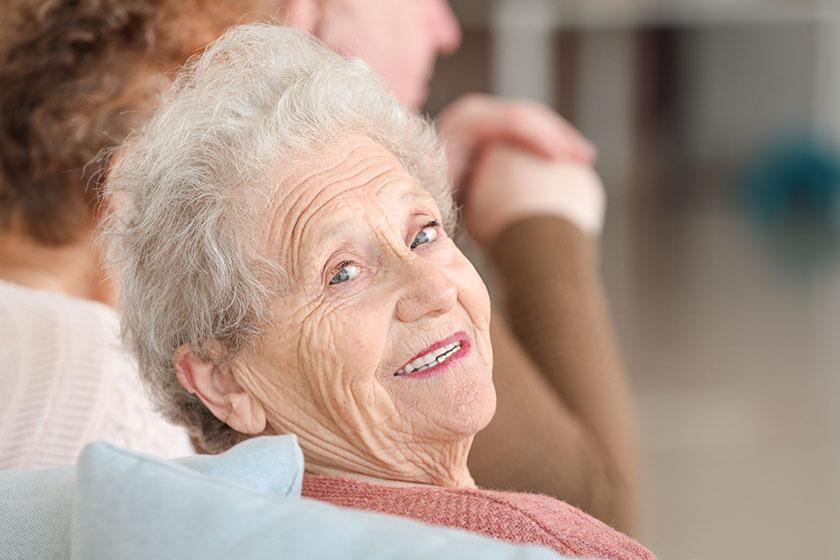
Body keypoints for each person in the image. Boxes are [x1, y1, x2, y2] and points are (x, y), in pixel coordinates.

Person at [0, 0, 636, 533]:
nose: (444, 27)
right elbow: (584, 515)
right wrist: (544, 229)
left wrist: (391, 180)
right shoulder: (104, 394)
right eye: (343, 273)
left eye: (428, 233)